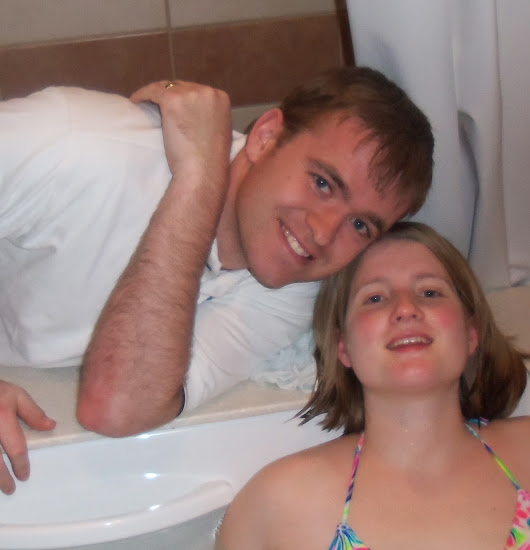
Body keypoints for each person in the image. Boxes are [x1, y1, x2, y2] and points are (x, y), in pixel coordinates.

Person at [0, 67, 435, 495]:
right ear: (265, 136)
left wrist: (200, 180)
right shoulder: (73, 145)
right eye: (322, 183)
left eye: (360, 225)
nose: (323, 234)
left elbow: (117, 408)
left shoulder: (293, 285)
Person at [215, 221, 530, 550]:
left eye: (430, 292)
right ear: (343, 347)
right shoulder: (277, 502)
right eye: (375, 298)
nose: (406, 308)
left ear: (471, 332)